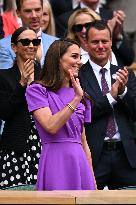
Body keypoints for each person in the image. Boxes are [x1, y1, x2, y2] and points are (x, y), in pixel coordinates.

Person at [25, 38, 96, 190]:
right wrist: (76, 99)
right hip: (55, 161)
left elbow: (83, 142)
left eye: (80, 57)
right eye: (74, 56)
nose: (80, 62)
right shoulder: (37, 90)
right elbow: (51, 126)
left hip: (80, 162)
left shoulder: (82, 95)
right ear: (58, 58)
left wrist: (93, 182)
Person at [79, 20, 136, 190]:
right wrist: (111, 96)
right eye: (95, 42)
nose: (100, 46)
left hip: (125, 155)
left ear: (111, 42)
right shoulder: (78, 75)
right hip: (94, 154)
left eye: (104, 41)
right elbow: (85, 113)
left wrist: (123, 90)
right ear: (86, 44)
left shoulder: (125, 73)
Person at [0, 27, 41, 189]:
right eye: (25, 41)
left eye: (35, 41)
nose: (31, 45)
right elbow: (4, 112)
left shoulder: (45, 75)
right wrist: (22, 84)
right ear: (14, 47)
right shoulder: (3, 76)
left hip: (44, 145)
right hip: (16, 148)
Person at [55, 0, 134, 67]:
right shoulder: (64, 19)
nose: (84, 31)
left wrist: (117, 37)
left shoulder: (111, 16)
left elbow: (129, 59)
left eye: (88, 25)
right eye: (78, 27)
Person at [0, 0, 57, 69]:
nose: (34, 15)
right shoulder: (4, 45)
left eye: (37, 10)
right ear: (18, 13)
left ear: (42, 10)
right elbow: (7, 78)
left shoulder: (56, 42)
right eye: (28, 11)